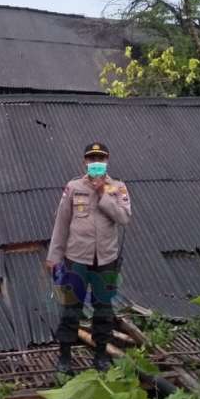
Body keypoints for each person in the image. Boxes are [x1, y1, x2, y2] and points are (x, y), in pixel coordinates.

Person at [45, 142, 132, 374]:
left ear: (107, 160)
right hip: (77, 258)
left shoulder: (118, 188)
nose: (96, 163)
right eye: (92, 159)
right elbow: (61, 224)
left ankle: (101, 354)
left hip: (106, 260)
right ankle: (64, 356)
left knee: (103, 308)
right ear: (85, 162)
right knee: (71, 307)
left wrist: (103, 193)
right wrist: (54, 256)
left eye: (100, 159)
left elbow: (124, 218)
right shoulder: (73, 187)